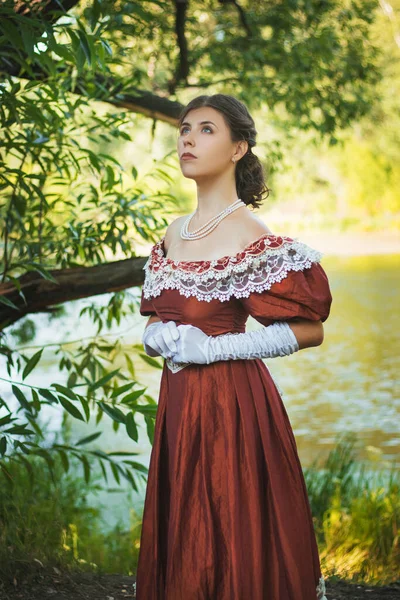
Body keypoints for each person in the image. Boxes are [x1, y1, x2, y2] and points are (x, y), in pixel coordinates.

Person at [135, 93, 332, 599]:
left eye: (205, 130)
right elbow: (163, 313)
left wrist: (218, 349)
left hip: (232, 403)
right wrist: (156, 334)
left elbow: (310, 328)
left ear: (238, 147)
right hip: (179, 405)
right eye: (184, 129)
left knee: (230, 521)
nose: (187, 139)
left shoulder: (251, 234)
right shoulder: (174, 232)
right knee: (187, 525)